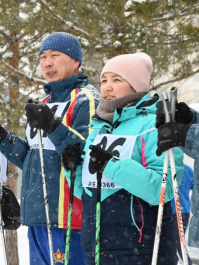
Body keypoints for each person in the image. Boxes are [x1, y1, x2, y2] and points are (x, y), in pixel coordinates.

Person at [0, 32, 99, 264]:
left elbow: (87, 154)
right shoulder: (42, 104)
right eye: (43, 56)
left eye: (55, 55)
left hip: (69, 217)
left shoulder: (86, 99)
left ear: (76, 61)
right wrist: (1, 136)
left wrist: (53, 125)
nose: (47, 62)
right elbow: (31, 159)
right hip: (37, 215)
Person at [61, 52, 184, 264]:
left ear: (136, 86)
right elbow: (88, 191)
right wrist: (73, 169)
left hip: (141, 250)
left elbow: (161, 191)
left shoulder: (155, 124)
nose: (107, 86)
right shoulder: (98, 126)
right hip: (97, 248)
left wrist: (112, 165)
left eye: (117, 80)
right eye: (103, 80)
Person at [156, 97, 199, 249]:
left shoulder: (184, 170)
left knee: (175, 248)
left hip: (181, 210)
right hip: (191, 217)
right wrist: (190, 120)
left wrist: (184, 134)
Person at [170, 165, 194, 265]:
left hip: (172, 211)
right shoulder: (187, 169)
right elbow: (195, 187)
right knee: (177, 243)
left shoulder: (167, 167)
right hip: (185, 211)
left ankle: (187, 263)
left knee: (175, 244)